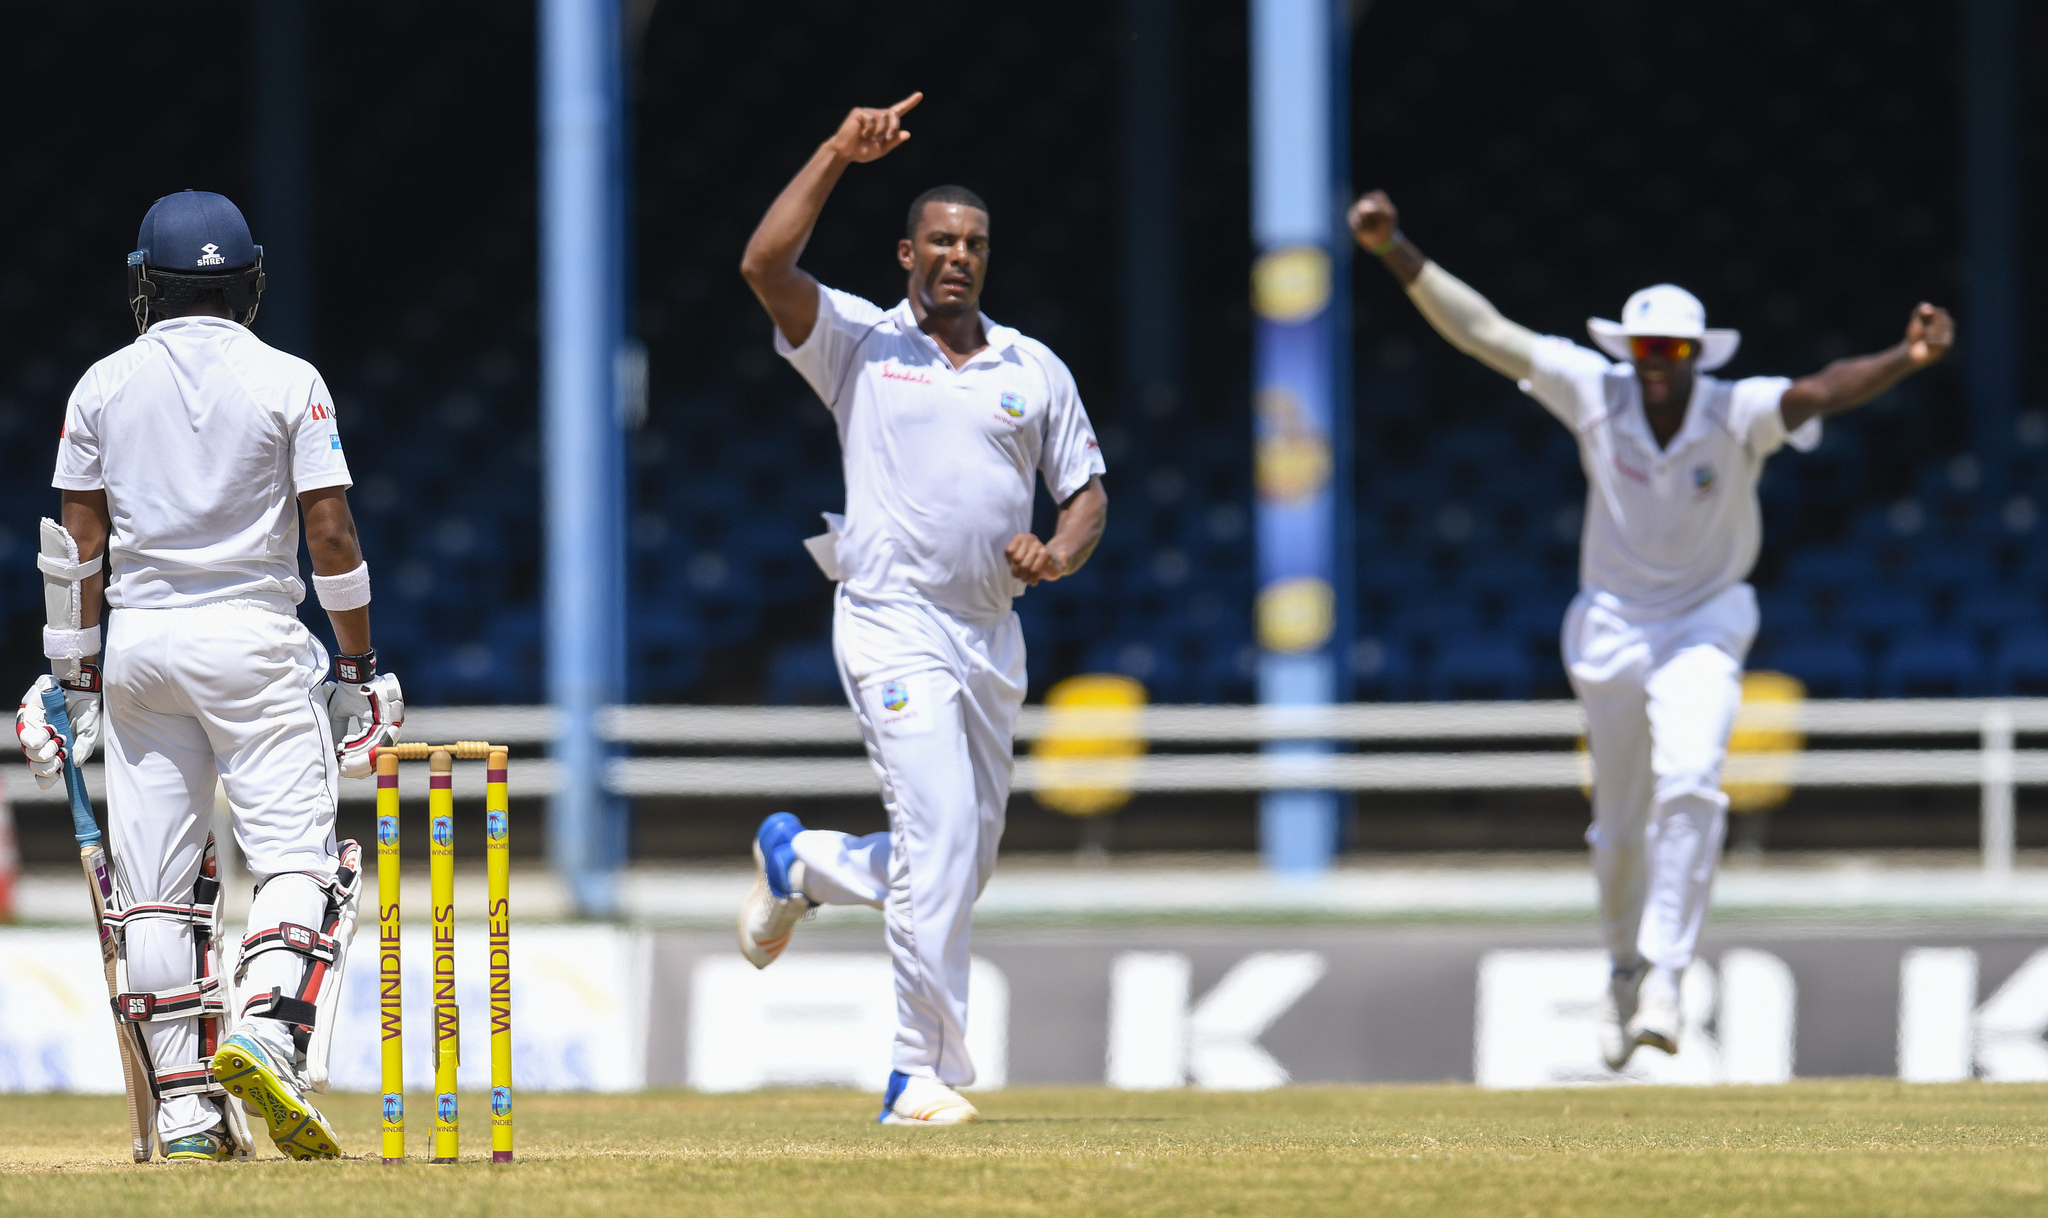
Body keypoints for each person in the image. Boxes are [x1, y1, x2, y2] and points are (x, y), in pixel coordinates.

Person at [1347, 188, 1954, 1069]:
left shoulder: (1735, 411)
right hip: (1611, 627)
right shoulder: (1594, 390)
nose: (1656, 364)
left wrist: (1906, 356)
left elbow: (1820, 391)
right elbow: (1485, 333)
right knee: (1619, 828)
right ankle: (1622, 970)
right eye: (1644, 350)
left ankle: (1668, 973)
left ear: (1697, 354)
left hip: (1704, 621)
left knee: (1694, 779)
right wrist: (1393, 247)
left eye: (1671, 350)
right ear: (1626, 352)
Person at [735, 94, 1108, 1123]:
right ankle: (915, 1073)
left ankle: (802, 862)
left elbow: (1086, 494)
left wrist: (1058, 553)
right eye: (940, 242)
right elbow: (764, 266)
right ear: (907, 254)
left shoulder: (1031, 368)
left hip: (990, 634)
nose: (958, 257)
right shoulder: (860, 341)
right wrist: (834, 152)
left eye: (974, 244)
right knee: (940, 839)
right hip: (890, 620)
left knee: (955, 865)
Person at [13, 190, 403, 1159]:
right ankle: (267, 1027)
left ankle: (188, 1112)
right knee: (297, 859)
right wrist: (358, 667)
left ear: (146, 283)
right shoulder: (290, 378)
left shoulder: (101, 384)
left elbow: (77, 550)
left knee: (154, 888)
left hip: (140, 648)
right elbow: (330, 534)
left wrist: (70, 678)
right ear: (249, 282)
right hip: (253, 642)